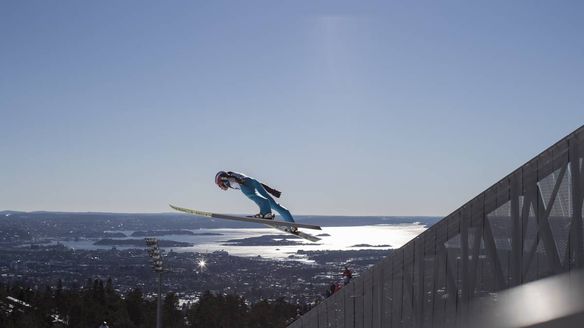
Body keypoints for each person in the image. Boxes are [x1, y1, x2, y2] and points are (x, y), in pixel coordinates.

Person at [215, 171, 297, 232]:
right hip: (253, 181)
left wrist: (240, 181)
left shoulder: (226, 178)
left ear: (221, 181)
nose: (220, 187)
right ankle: (292, 225)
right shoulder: (231, 175)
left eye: (219, 185)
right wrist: (272, 191)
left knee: (253, 196)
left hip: (244, 183)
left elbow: (230, 178)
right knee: (274, 205)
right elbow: (258, 184)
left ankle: (266, 213)